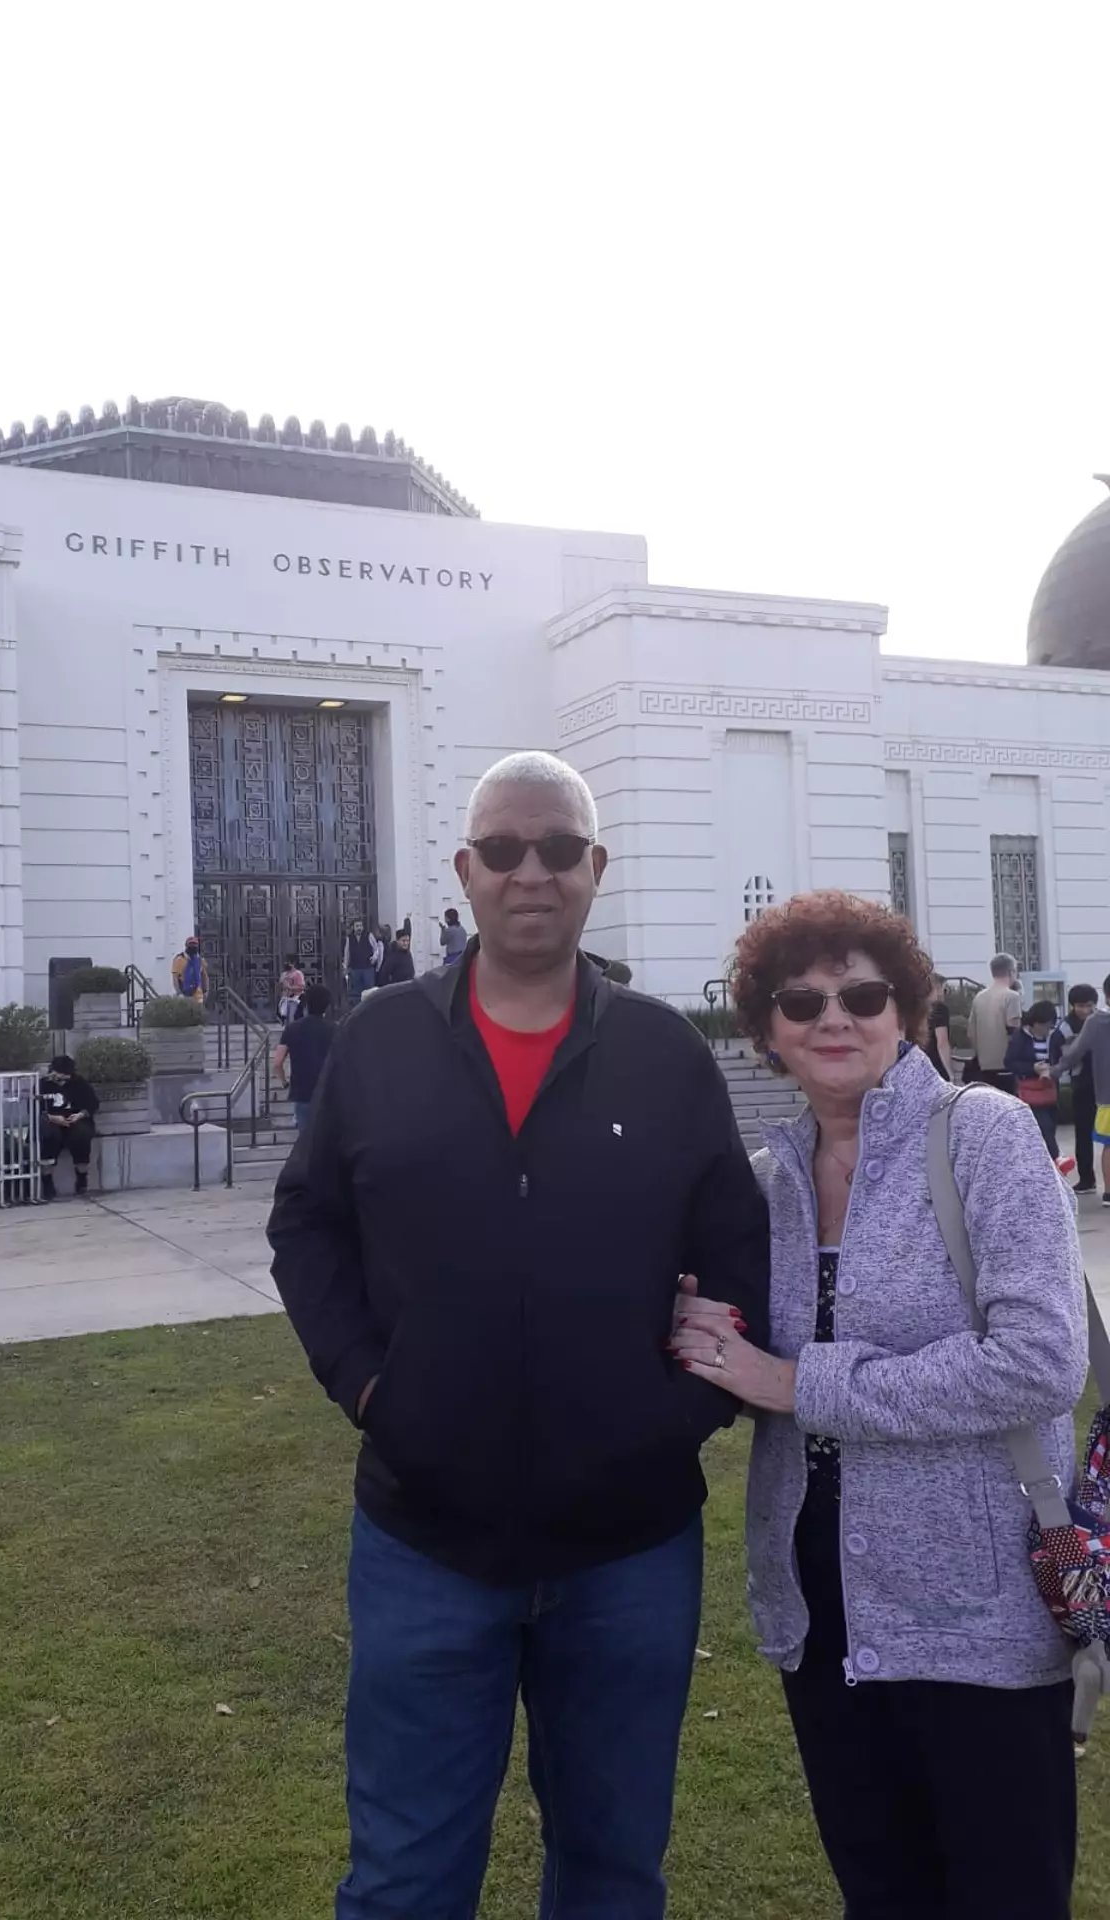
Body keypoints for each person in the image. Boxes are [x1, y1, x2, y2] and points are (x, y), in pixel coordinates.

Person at [268, 748, 769, 1920]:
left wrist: (679, 1415)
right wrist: (366, 1388)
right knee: (405, 1879)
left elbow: (740, 1253)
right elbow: (307, 1229)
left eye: (558, 850)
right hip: (425, 1544)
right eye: (504, 850)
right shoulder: (382, 1040)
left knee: (610, 1871)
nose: (530, 873)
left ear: (597, 869)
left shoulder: (661, 1054)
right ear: (465, 872)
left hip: (629, 1550)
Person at [670, 891, 1085, 1919]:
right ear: (766, 1029)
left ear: (902, 1007)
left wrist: (795, 1383)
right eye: (800, 1001)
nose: (833, 1019)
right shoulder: (771, 1184)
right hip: (822, 1605)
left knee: (1002, 1893)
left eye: (861, 993)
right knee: (881, 1891)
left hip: (978, 1603)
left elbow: (1039, 1361)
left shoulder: (979, 1133)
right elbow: (731, 1335)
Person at [1050, 972, 1110, 1207]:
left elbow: (1074, 1053)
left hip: (1106, 1094)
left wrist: (1053, 1071)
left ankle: (1108, 1193)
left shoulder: (1096, 1023)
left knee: (1109, 1144)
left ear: (1105, 997)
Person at [273, 982, 335, 1131]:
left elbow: (277, 1063)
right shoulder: (335, 1029)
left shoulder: (292, 1029)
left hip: (302, 1091)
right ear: (327, 1006)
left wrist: (285, 1082)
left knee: (305, 1140)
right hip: (328, 1092)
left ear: (306, 1004)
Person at [38, 1054, 100, 1199]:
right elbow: (36, 1109)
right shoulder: (43, 1084)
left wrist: (79, 1115)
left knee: (82, 1134)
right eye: (58, 1078)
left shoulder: (80, 1083)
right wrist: (53, 1118)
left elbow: (92, 1104)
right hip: (52, 1121)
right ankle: (47, 1182)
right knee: (50, 1136)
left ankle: (82, 1178)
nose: (61, 1082)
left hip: (75, 1119)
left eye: (65, 1078)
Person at [1005, 1000, 1062, 1155]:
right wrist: (1033, 1068)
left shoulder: (1055, 1035)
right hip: (1030, 1090)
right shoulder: (1021, 1036)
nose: (1045, 1029)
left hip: (1050, 1088)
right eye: (1042, 1025)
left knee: (1050, 1126)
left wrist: (1053, 1069)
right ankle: (1055, 1161)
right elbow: (1010, 1062)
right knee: (1044, 1129)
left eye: (1049, 1025)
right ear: (1034, 1022)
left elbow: (1063, 1057)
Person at [965, 952, 1021, 1091]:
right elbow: (1014, 1031)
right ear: (1011, 971)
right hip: (1006, 1066)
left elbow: (971, 1033)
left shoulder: (979, 997)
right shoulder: (1012, 996)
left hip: (983, 1067)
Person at [923, 971, 952, 1079]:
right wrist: (950, 1073)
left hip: (921, 1064)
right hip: (936, 1065)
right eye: (944, 989)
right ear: (937, 988)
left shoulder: (918, 1008)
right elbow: (942, 1042)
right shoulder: (939, 1008)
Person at [343, 920, 377, 1005]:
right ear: (353, 927)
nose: (359, 928)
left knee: (369, 991)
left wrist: (374, 958)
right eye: (357, 926)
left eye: (360, 926)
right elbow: (347, 953)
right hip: (355, 968)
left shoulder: (369, 935)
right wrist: (345, 967)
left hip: (367, 968)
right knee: (356, 992)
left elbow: (376, 949)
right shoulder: (349, 938)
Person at [172, 934, 207, 1002]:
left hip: (198, 994)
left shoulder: (200, 960)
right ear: (186, 946)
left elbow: (204, 976)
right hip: (184, 992)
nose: (193, 946)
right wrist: (179, 993)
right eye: (191, 944)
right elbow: (175, 977)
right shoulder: (179, 959)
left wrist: (205, 990)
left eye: (195, 944)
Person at [278, 953, 306, 1023]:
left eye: (288, 962)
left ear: (293, 963)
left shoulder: (298, 974)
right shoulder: (284, 974)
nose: (286, 964)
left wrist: (290, 987)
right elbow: (280, 987)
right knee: (285, 1019)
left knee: (292, 1018)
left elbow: (301, 987)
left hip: (294, 999)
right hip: (285, 999)